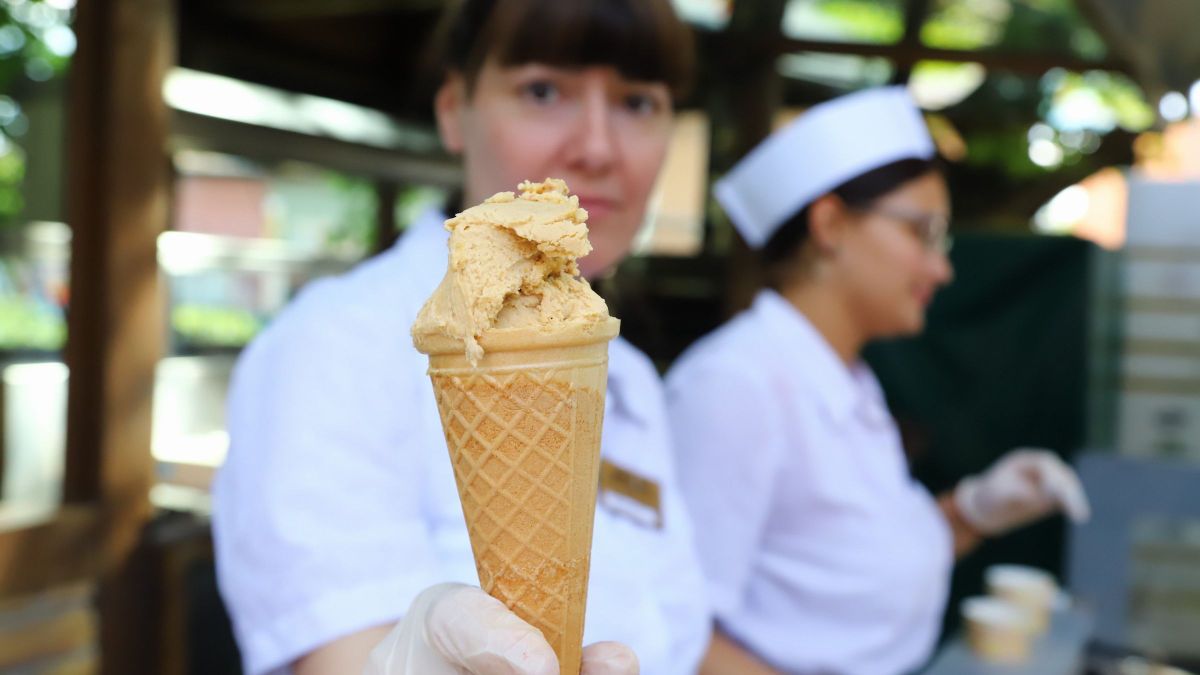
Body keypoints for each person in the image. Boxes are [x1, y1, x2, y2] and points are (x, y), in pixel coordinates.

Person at [211, 1, 711, 673]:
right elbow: (333, 652)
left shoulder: (633, 378)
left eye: (640, 103)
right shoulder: (332, 345)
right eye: (543, 90)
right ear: (453, 110)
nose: (598, 146)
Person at [665, 87, 1092, 675]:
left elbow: (847, 562)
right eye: (923, 232)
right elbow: (678, 630)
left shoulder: (847, 377)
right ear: (831, 224)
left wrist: (971, 512)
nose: (941, 269)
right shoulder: (736, 386)